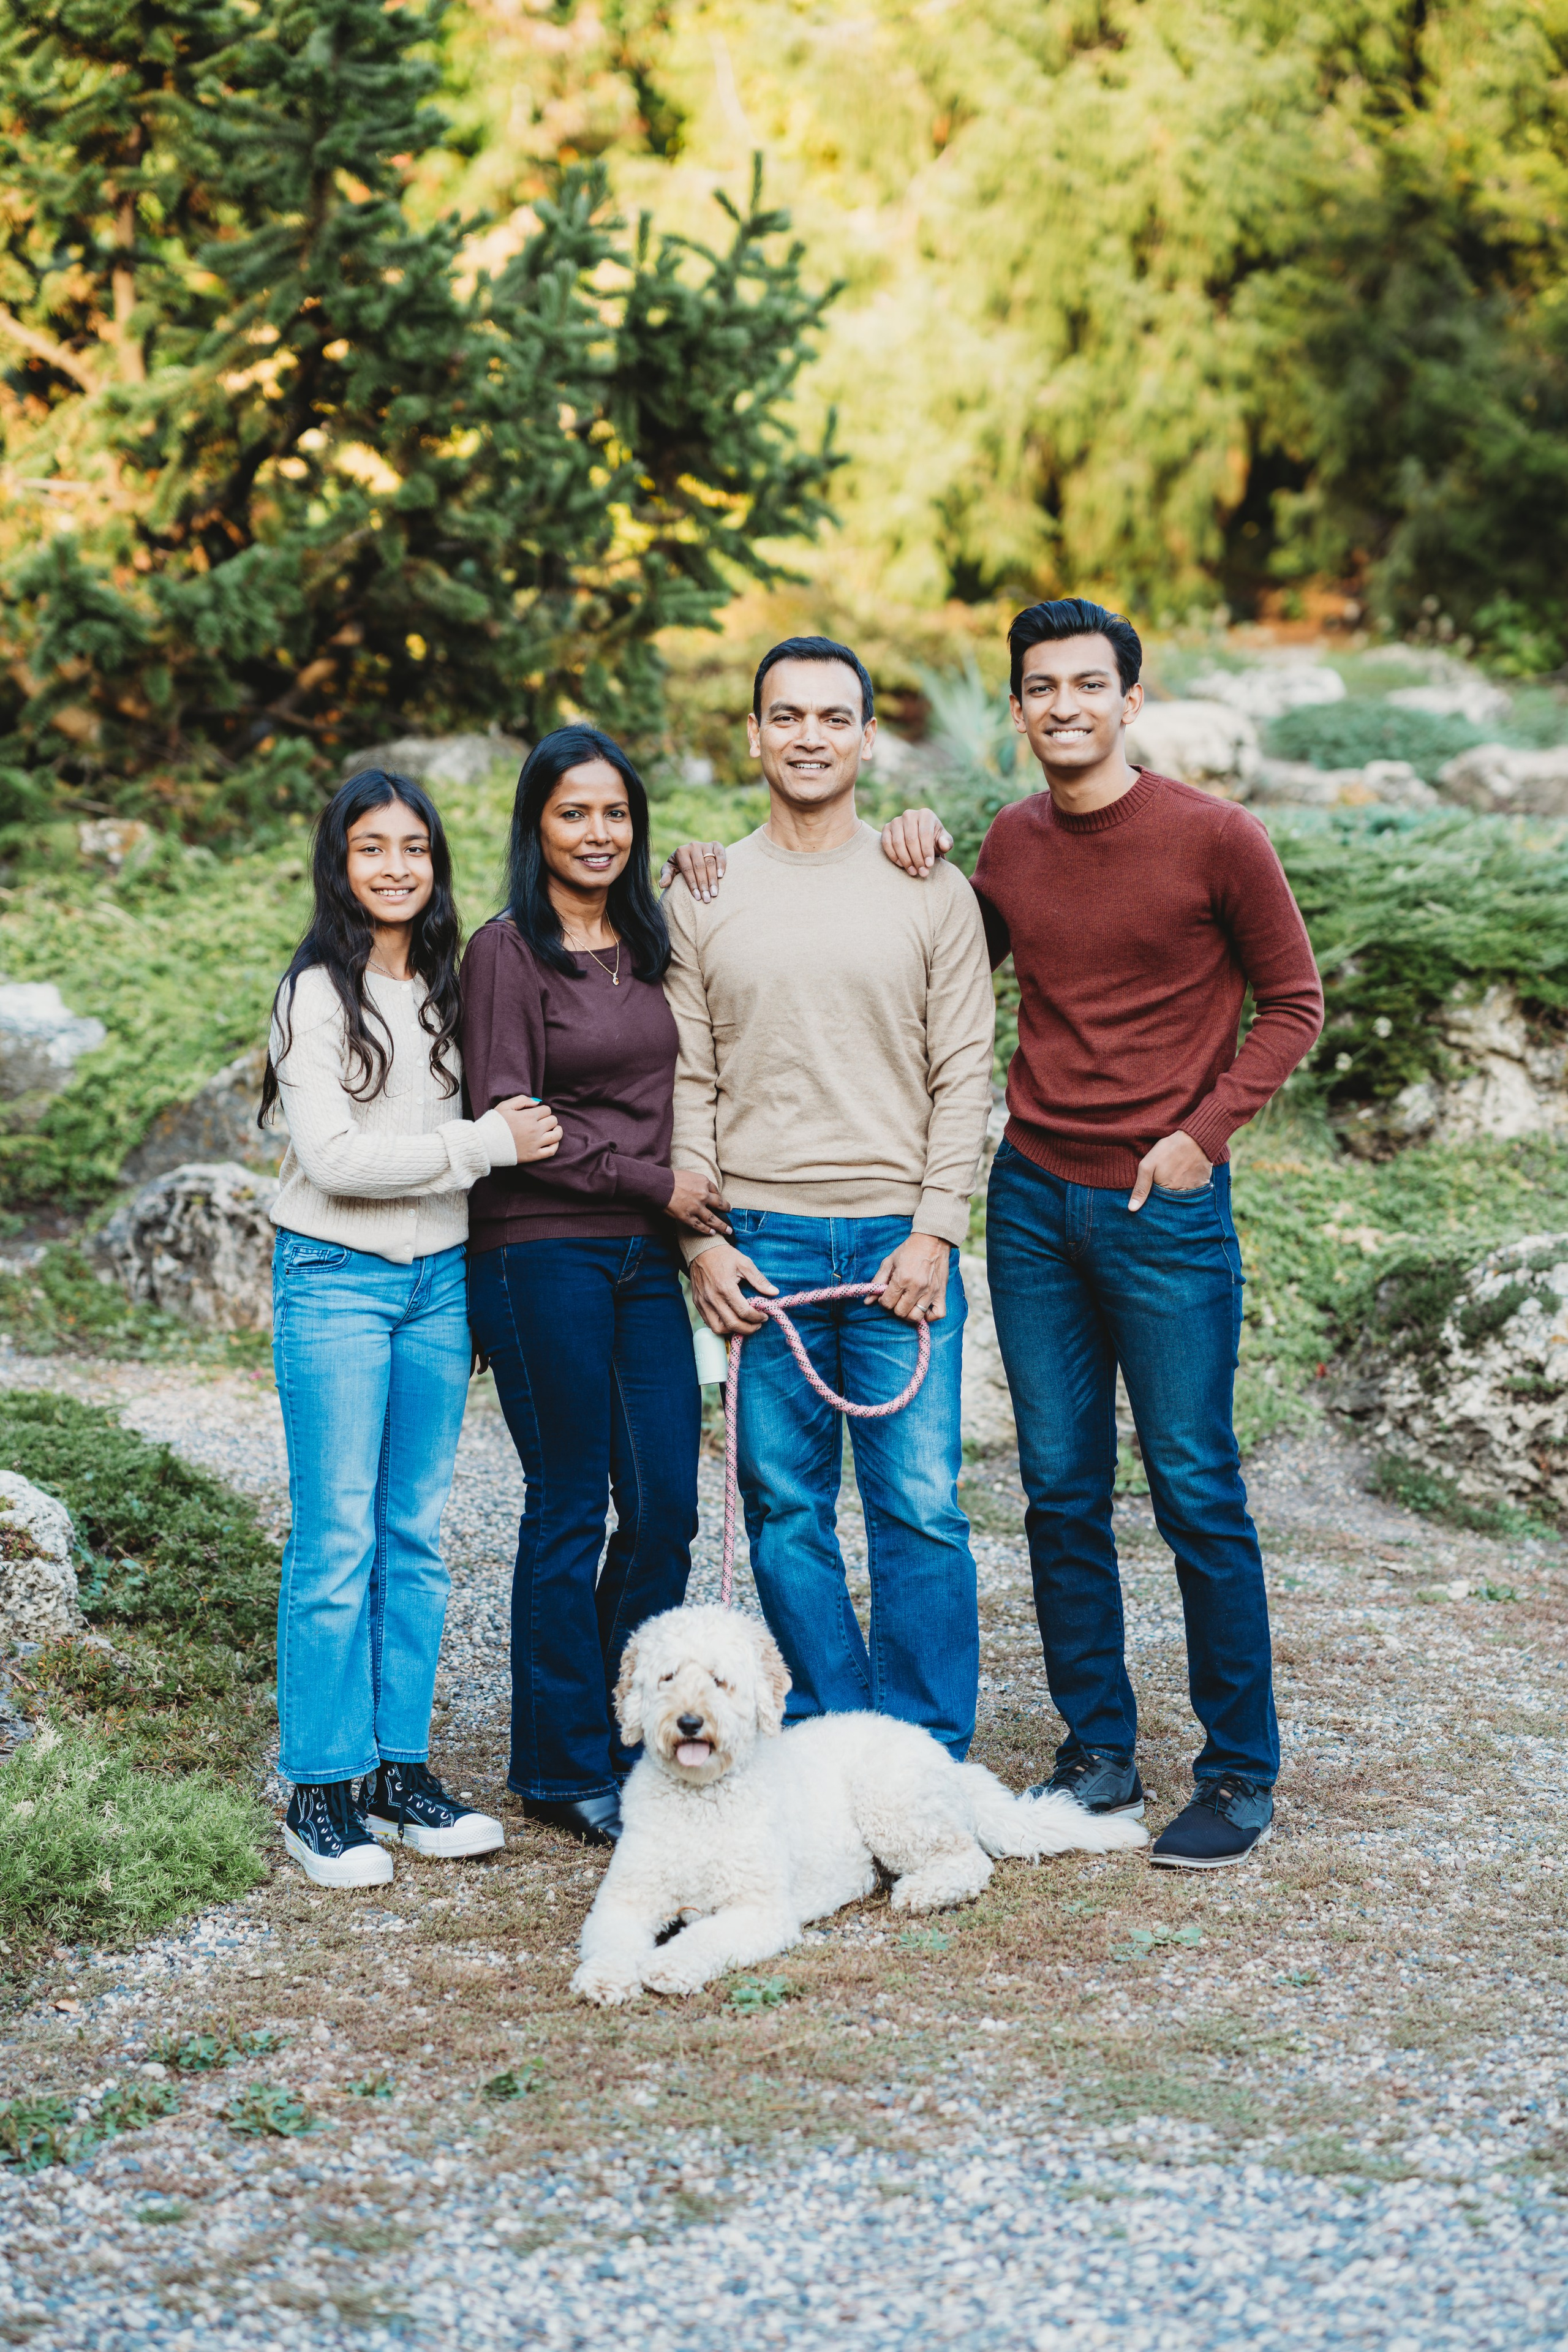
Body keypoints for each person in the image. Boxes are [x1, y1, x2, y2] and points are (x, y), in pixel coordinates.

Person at [873, 598, 1325, 1867]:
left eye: (1086, 684)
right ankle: (1096, 1751)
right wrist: (903, 850)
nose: (1061, 705)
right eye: (1038, 688)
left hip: (1163, 1211)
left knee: (1192, 1487)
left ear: (1131, 700)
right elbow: (946, 960)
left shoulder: (1213, 838)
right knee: (1059, 1491)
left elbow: (1292, 1002)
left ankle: (1235, 1771)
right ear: (1015, 711)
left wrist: (1201, 1138)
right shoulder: (1012, 844)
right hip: (1027, 1204)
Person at [665, 635, 995, 1760]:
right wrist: (700, 1245)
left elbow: (965, 1070)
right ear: (753, 735)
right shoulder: (702, 891)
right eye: (786, 717)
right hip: (760, 1242)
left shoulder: (930, 887)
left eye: (832, 718)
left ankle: (924, 1751)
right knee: (785, 1510)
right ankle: (839, 1732)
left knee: (920, 1507)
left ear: (866, 736)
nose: (809, 736)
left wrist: (938, 1228)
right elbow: (687, 1076)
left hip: (902, 1247)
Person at [265, 769, 561, 1888]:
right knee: (337, 1540)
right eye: (371, 848)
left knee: (417, 1540)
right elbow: (336, 1162)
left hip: (438, 1287)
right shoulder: (314, 996)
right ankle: (320, 1790)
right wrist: (481, 1145)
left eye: (415, 848)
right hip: (335, 1280)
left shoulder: (452, 981)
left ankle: (398, 1771)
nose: (396, 866)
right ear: (338, 865)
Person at [460, 728, 731, 1849]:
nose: (599, 833)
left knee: (665, 1505)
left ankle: (632, 1727)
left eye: (616, 813)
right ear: (537, 826)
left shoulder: (650, 941)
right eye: (575, 814)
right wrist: (651, 1181)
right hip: (540, 1251)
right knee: (570, 1503)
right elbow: (513, 1127)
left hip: (640, 1259)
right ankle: (557, 1761)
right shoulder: (504, 955)